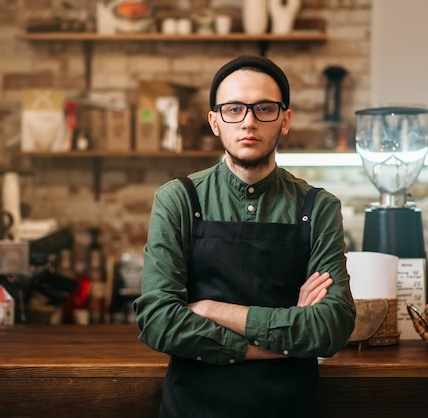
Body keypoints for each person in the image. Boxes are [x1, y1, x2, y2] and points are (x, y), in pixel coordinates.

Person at [133, 54, 356, 418]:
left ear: (285, 120)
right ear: (214, 122)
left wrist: (211, 310)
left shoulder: (318, 207)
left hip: (289, 408)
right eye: (234, 109)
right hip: (194, 408)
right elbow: (158, 321)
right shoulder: (179, 199)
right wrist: (283, 337)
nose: (249, 122)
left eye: (264, 108)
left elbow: (331, 327)